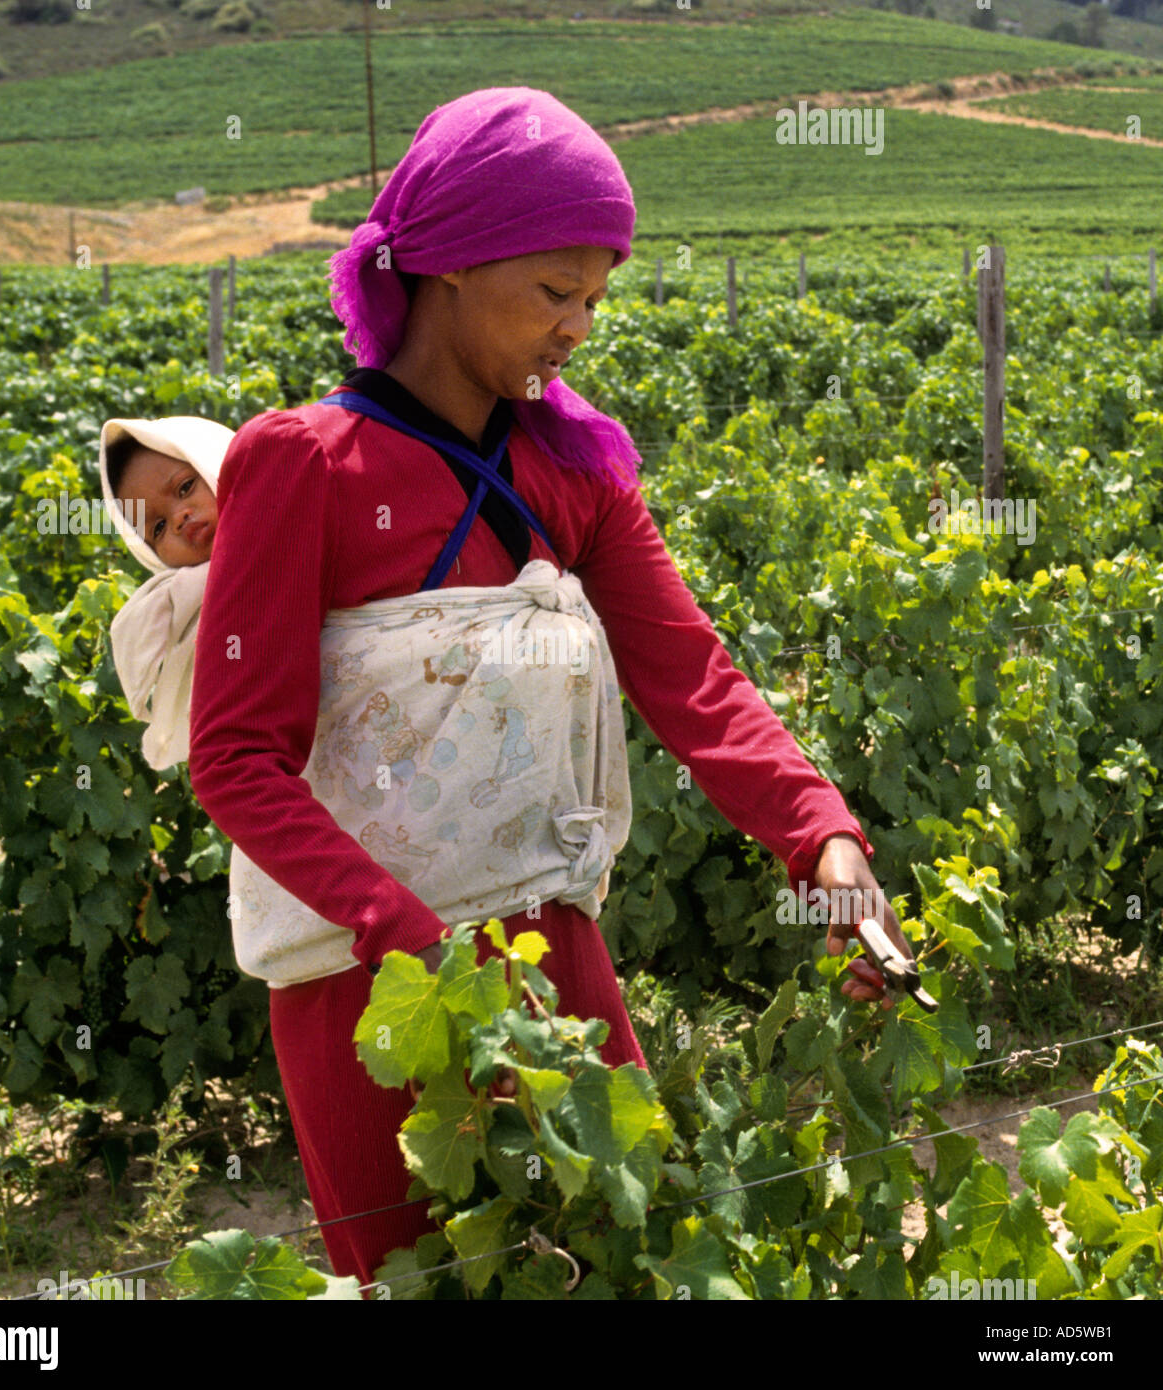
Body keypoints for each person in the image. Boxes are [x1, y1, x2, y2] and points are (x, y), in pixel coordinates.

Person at [187, 86, 908, 1288]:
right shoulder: (305, 463)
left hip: (547, 960)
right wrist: (409, 946)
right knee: (421, 1277)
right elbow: (236, 757)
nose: (578, 326)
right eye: (554, 291)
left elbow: (693, 679)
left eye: (595, 299)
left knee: (615, 1258)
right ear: (452, 266)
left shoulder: (572, 469)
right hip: (368, 994)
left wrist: (818, 840)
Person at [97, 416, 234, 770]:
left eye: (185, 487)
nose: (179, 517)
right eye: (158, 528)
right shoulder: (187, 616)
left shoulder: (313, 518)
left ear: (218, 460)